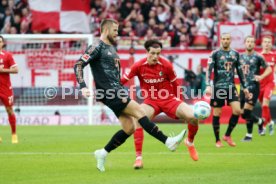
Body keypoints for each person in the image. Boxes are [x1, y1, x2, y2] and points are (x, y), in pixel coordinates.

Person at [73, 19, 186, 172]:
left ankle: (102, 153)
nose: (117, 33)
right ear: (105, 30)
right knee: (139, 112)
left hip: (115, 91)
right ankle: (168, 141)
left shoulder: (111, 48)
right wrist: (83, 86)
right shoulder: (96, 46)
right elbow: (79, 64)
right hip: (110, 91)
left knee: (129, 128)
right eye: (115, 30)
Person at [121, 39, 200, 169]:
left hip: (168, 99)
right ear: (146, 52)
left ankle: (190, 142)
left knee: (193, 117)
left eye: (158, 53)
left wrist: (179, 101)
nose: (156, 57)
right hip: (151, 102)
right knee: (138, 119)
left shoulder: (167, 65)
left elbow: (176, 85)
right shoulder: (138, 66)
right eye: (152, 53)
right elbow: (123, 80)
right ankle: (139, 158)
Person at [205, 33, 249, 148]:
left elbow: (240, 71)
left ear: (230, 40)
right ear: (220, 40)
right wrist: (208, 85)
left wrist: (245, 87)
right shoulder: (215, 54)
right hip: (218, 87)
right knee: (217, 113)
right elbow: (209, 70)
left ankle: (227, 135)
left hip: (231, 87)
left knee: (237, 110)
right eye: (223, 39)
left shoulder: (235, 54)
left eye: (227, 39)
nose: (225, 41)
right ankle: (217, 140)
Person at [240, 36, 271, 141]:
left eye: (252, 42)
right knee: (242, 113)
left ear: (254, 44)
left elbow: (269, 68)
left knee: (247, 111)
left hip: (253, 86)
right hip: (242, 87)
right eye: (248, 41)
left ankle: (249, 135)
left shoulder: (258, 57)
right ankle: (260, 121)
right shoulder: (239, 57)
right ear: (245, 43)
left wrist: (261, 77)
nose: (249, 43)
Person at [0, 35, 19, 144]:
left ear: (3, 43)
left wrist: (3, 70)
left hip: (5, 88)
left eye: (0, 42)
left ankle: (14, 134)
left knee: (9, 110)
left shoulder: (7, 55)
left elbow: (16, 70)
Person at [258, 36, 276, 136]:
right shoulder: (258, 56)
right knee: (264, 107)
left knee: (265, 104)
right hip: (260, 85)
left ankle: (263, 127)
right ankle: (270, 122)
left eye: (269, 42)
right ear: (262, 43)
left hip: (270, 83)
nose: (267, 44)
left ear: (271, 44)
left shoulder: (274, 55)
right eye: (265, 42)